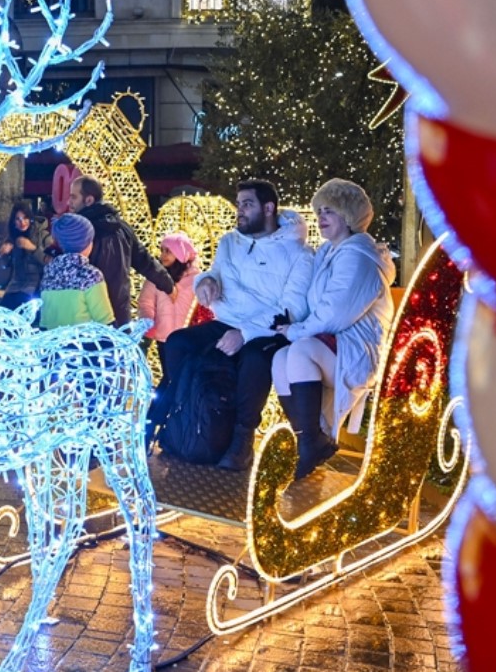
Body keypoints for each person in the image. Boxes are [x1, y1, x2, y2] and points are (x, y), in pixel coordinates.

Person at [150, 179, 312, 471]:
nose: (240, 211)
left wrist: (245, 333)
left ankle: (242, 437)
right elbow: (214, 274)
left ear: (268, 208)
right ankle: (186, 412)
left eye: (247, 204)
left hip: (268, 330)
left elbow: (292, 309)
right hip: (226, 322)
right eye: (238, 204)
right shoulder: (230, 242)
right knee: (178, 342)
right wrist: (206, 282)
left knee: (254, 358)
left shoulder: (299, 253)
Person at [271, 179, 395, 476]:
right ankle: (308, 438)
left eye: (329, 211)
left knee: (299, 352)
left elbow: (335, 312)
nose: (321, 218)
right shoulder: (329, 252)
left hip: (357, 349)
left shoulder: (360, 257)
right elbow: (315, 305)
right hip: (330, 343)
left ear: (349, 216)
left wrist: (295, 331)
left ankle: (312, 441)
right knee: (278, 359)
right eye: (319, 211)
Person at [69, 176, 173, 325]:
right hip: (119, 311)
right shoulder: (122, 227)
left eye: (73, 197)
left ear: (89, 200)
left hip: (87, 310)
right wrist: (167, 284)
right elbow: (144, 261)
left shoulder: (81, 231)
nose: (69, 202)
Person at [38, 213, 113, 329]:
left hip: (55, 345)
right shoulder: (90, 275)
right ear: (87, 243)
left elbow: (44, 322)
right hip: (84, 344)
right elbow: (106, 322)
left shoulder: (49, 274)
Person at [138, 233, 200, 371]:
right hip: (163, 336)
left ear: (180, 252)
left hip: (188, 338)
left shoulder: (196, 279)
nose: (163, 255)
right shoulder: (156, 277)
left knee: (182, 375)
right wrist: (147, 321)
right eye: (162, 251)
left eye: (168, 251)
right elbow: (145, 302)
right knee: (169, 375)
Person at [0, 204, 49, 310]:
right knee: (3, 311)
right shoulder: (12, 237)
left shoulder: (43, 235)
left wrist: (33, 249)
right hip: (15, 285)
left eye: (25, 218)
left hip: (36, 286)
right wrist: (1, 255)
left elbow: (51, 262)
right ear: (13, 222)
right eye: (18, 219)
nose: (22, 222)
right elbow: (5, 266)